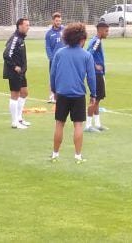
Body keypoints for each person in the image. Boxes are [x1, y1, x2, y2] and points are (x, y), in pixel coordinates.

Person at [49, 22, 97, 164]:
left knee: (59, 124)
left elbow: (53, 74)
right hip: (78, 95)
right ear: (81, 39)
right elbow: (91, 77)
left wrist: (54, 90)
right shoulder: (86, 55)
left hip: (62, 93)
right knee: (78, 125)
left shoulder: (59, 53)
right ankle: (77, 156)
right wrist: (93, 94)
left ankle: (55, 155)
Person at [3, 18, 30, 130]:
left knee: (24, 93)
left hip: (21, 73)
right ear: (19, 26)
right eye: (26, 25)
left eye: (29, 25)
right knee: (15, 95)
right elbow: (6, 54)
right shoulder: (15, 38)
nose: (28, 27)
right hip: (14, 72)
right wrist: (15, 66)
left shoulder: (21, 39)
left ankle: (19, 118)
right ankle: (14, 122)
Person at [85, 22, 110, 132]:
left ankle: (97, 124)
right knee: (94, 99)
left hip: (98, 74)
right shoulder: (97, 41)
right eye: (106, 31)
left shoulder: (97, 40)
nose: (107, 33)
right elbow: (88, 53)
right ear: (100, 30)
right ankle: (88, 125)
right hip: (96, 74)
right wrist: (95, 65)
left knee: (98, 100)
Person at [45, 12, 65, 103]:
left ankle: (62, 94)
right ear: (53, 21)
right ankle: (52, 95)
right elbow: (48, 47)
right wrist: (51, 58)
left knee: (63, 76)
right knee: (52, 77)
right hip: (54, 59)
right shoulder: (49, 33)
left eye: (60, 20)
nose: (58, 22)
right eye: (57, 21)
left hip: (64, 58)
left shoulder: (64, 30)